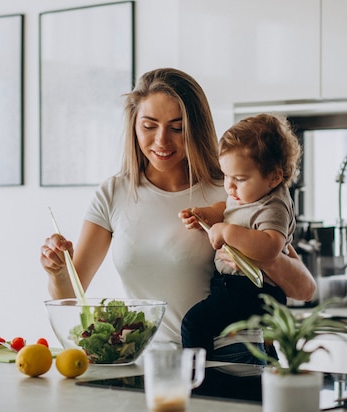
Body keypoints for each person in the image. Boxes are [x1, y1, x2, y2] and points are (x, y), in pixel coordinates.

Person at [40, 68, 316, 358]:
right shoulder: (114, 194)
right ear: (134, 125)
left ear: (196, 128)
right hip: (147, 366)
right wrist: (58, 272)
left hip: (231, 361)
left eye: (177, 127)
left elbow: (304, 289)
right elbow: (72, 297)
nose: (161, 140)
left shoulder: (233, 188)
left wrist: (246, 250)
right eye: (149, 126)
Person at [179, 113, 303, 362]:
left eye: (239, 179)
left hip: (255, 291)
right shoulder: (249, 194)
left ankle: (200, 385)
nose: (230, 187)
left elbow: (271, 246)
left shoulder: (274, 205)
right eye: (226, 176)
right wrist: (205, 214)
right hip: (232, 285)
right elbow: (226, 209)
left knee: (194, 324)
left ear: (275, 177)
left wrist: (227, 232)